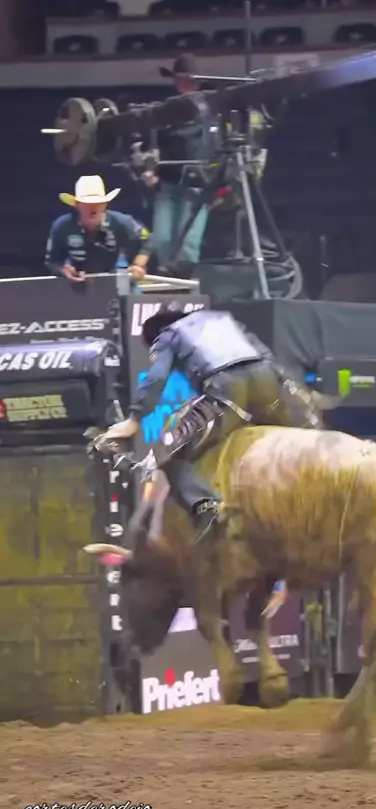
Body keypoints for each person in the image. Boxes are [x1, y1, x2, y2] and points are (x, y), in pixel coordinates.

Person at [100, 307, 333, 538]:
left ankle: (206, 506)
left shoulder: (168, 335)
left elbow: (156, 378)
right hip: (267, 381)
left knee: (171, 454)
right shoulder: (224, 319)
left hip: (227, 389)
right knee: (310, 436)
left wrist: (134, 420)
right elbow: (267, 356)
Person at [141, 54, 212, 280]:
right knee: (162, 238)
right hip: (168, 182)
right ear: (176, 82)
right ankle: (170, 280)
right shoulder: (165, 112)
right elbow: (149, 145)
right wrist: (149, 169)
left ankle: (184, 280)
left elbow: (216, 146)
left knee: (188, 241)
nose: (186, 84)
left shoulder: (210, 112)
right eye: (182, 79)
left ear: (197, 83)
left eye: (190, 80)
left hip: (197, 184)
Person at [45, 175, 154, 283]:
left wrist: (138, 265)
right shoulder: (62, 226)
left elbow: (147, 238)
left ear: (105, 204)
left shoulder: (123, 221)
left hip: (115, 281)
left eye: (98, 202)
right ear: (77, 205)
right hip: (76, 284)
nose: (93, 207)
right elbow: (52, 261)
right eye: (87, 203)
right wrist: (64, 270)